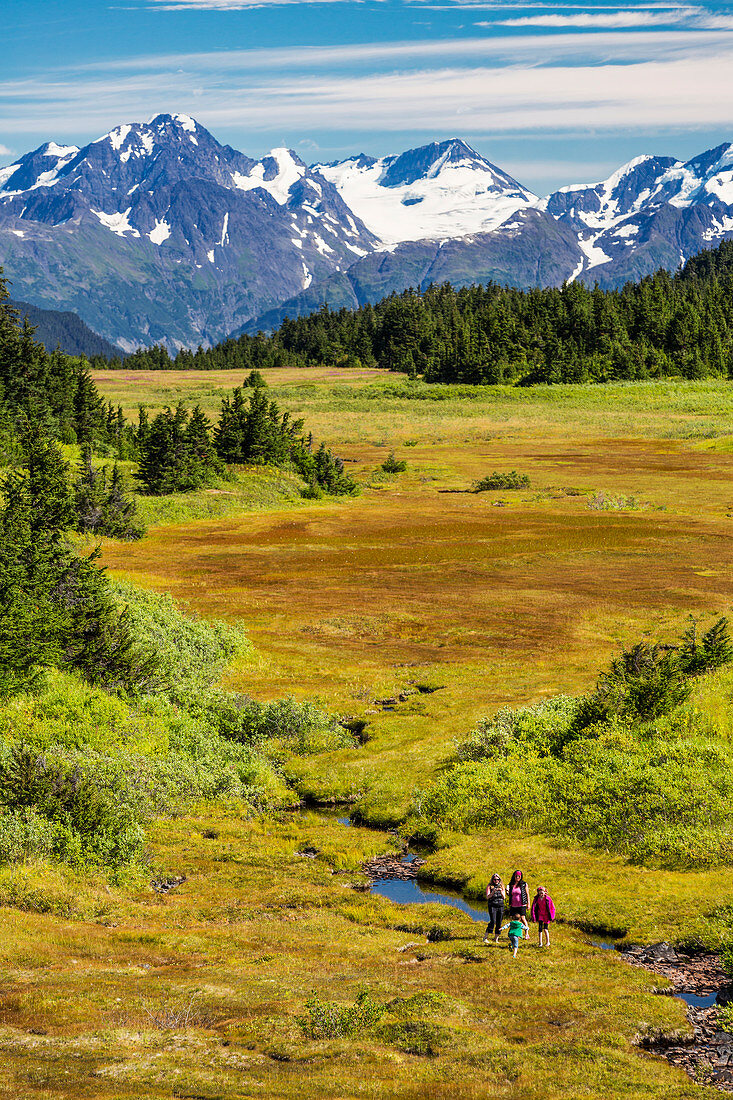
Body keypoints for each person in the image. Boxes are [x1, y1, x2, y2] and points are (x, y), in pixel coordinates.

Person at [483, 873, 505, 944]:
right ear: (492, 880)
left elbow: (504, 897)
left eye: (498, 879)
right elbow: (487, 897)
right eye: (495, 879)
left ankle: (496, 938)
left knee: (499, 922)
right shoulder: (489, 886)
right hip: (492, 905)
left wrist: (501, 891)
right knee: (493, 921)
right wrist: (493, 892)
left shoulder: (502, 886)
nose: (496, 881)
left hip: (500, 905)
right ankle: (485, 937)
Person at [507, 869, 529, 938]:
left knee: (522, 918)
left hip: (522, 904)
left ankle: (526, 933)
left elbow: (527, 894)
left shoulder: (524, 884)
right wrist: (507, 892)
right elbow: (510, 894)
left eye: (519, 876)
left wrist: (528, 904)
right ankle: (517, 933)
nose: (517, 878)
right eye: (516, 876)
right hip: (513, 905)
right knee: (515, 919)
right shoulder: (511, 884)